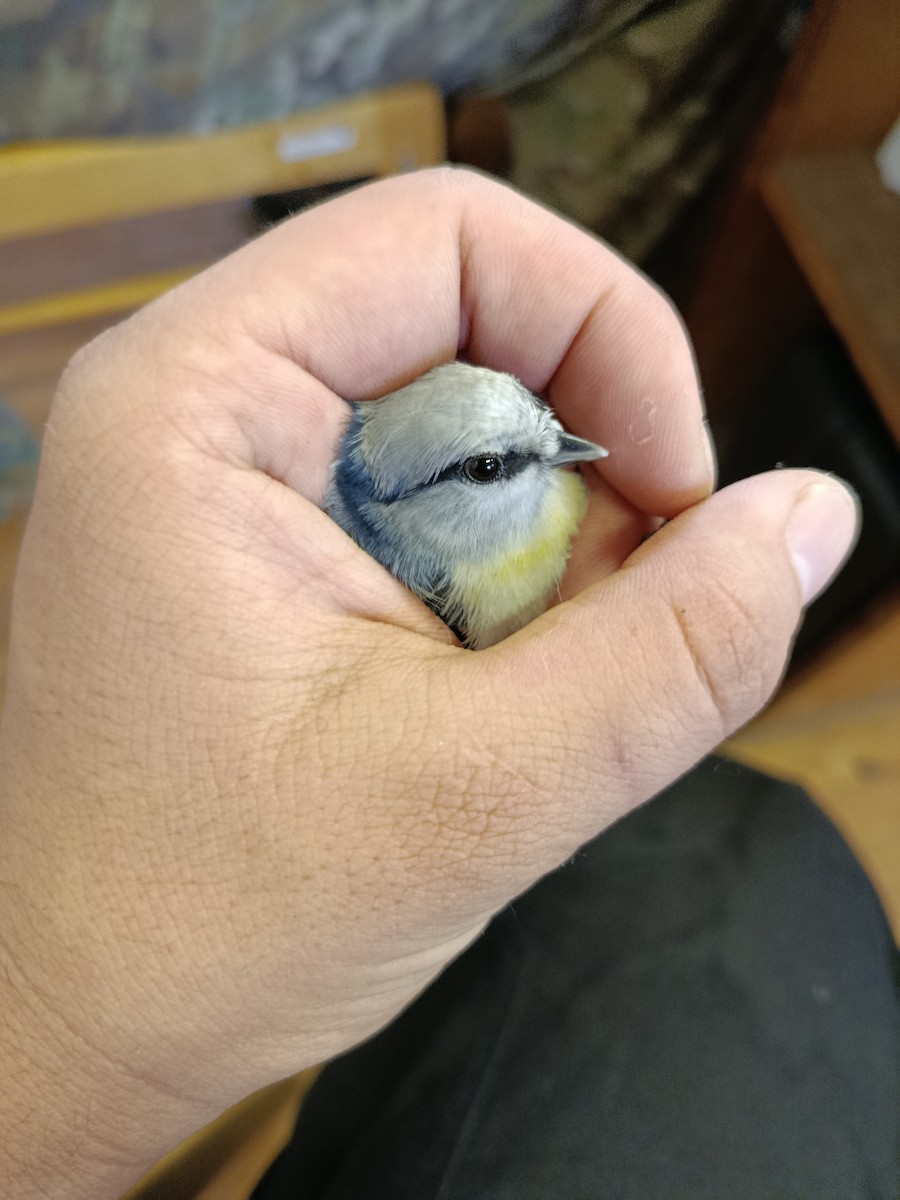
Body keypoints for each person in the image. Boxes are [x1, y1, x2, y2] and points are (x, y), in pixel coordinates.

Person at [0, 169, 893, 1200]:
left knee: (752, 851)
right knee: (759, 846)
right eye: (498, 468)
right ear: (425, 498)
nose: (560, 454)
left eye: (543, 426)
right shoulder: (412, 572)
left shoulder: (539, 481)